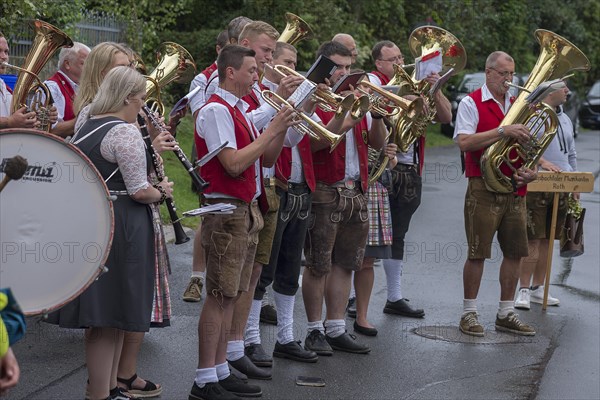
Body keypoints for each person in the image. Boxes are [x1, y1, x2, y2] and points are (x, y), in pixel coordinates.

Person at [52, 66, 174, 400]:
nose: (142, 106)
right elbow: (139, 190)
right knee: (108, 316)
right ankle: (99, 394)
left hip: (97, 218)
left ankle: (107, 389)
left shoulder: (88, 120)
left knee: (111, 314)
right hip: (124, 224)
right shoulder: (125, 132)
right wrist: (163, 189)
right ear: (127, 97)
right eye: (141, 99)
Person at [189, 44, 296, 400]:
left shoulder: (240, 112)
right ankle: (204, 378)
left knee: (232, 295)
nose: (258, 76)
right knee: (219, 296)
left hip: (245, 209)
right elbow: (233, 164)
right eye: (252, 70)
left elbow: (266, 159)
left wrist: (280, 126)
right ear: (230, 72)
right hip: (225, 212)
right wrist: (271, 129)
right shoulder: (216, 110)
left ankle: (220, 369)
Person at [302, 41, 386, 356]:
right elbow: (311, 147)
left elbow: (376, 143)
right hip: (325, 189)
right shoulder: (314, 99)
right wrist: (344, 118)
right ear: (323, 67)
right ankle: (313, 330)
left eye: (349, 67)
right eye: (338, 66)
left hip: (357, 188)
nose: (344, 73)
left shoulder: (356, 98)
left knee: (346, 264)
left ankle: (336, 327)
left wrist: (376, 116)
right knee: (318, 264)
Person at [243, 41, 319, 364]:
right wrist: (287, 103)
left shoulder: (277, 97)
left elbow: (292, 139)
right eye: (285, 61)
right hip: (270, 187)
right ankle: (249, 338)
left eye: (291, 61)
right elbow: (261, 136)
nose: (291, 68)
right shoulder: (258, 93)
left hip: (296, 188)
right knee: (262, 268)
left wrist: (307, 107)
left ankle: (286, 336)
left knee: (289, 266)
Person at [454, 51, 537, 337]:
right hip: (483, 186)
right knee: (478, 252)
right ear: (488, 72)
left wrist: (532, 170)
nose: (509, 80)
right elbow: (464, 142)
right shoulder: (470, 102)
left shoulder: (521, 104)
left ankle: (506, 312)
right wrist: (503, 131)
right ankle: (469, 313)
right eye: (503, 74)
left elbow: (531, 147)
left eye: (512, 74)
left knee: (515, 252)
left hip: (515, 187)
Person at [368, 40, 452, 320]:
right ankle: (354, 298)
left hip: (409, 170)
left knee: (398, 235)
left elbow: (445, 116)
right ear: (379, 63)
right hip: (380, 170)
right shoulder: (372, 81)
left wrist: (435, 87)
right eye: (392, 60)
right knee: (366, 238)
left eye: (402, 58)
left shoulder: (418, 86)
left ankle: (394, 296)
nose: (400, 64)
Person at [515, 82, 577, 310]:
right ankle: (522, 289)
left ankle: (538, 288)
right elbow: (523, 144)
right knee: (532, 237)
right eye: (564, 88)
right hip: (537, 183)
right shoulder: (535, 116)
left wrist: (575, 182)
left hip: (561, 186)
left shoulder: (566, 119)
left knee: (549, 240)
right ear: (551, 92)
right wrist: (542, 162)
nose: (568, 92)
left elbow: (571, 153)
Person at [184, 29, 230, 303]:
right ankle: (196, 278)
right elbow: (201, 118)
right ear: (218, 49)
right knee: (208, 216)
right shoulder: (201, 80)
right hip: (210, 153)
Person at [0, 31, 50, 129]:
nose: (4, 57)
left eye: (6, 52)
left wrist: (37, 118)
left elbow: (16, 121)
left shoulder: (4, 86)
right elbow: (11, 121)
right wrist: (10, 122)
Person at [46, 42, 91, 138]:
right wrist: (87, 116)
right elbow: (51, 130)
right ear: (67, 64)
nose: (89, 69)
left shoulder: (78, 86)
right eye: (84, 63)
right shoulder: (52, 88)